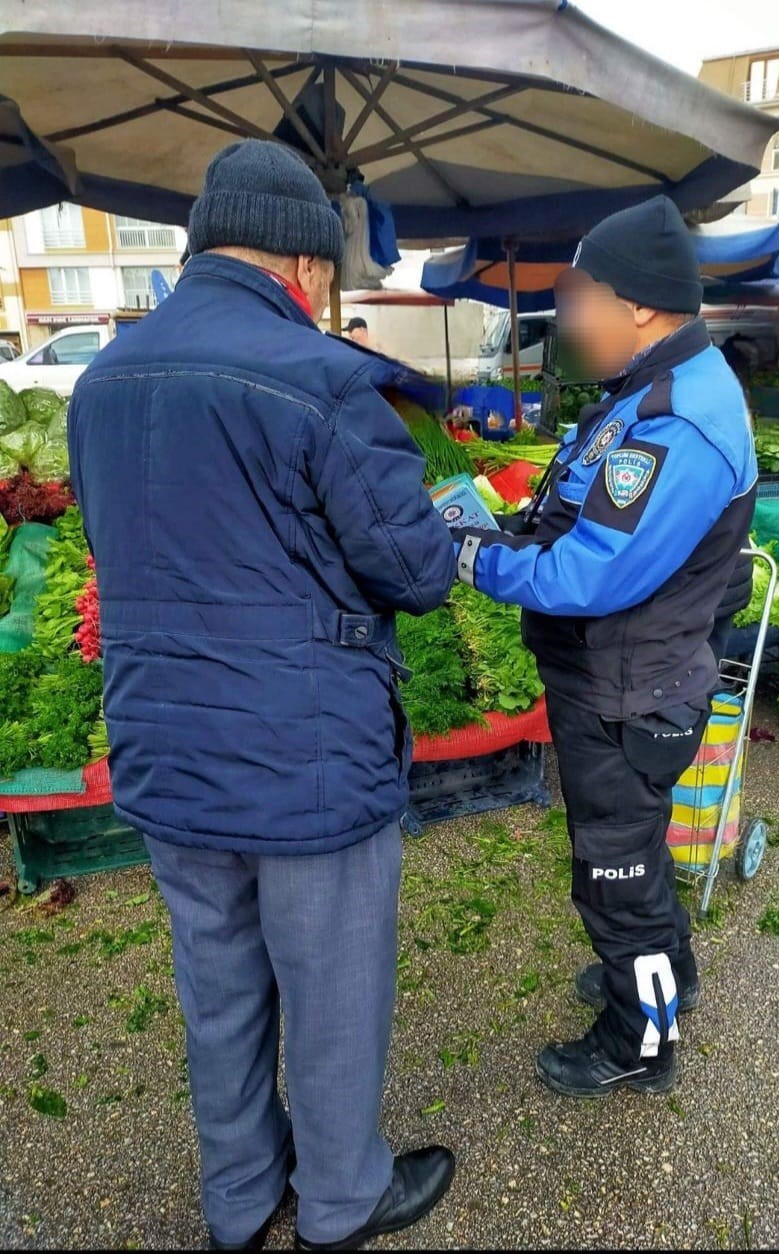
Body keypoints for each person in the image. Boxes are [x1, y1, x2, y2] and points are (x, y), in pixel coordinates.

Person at [68, 139, 457, 1251]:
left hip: (164, 748)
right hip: (306, 764)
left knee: (221, 993)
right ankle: (339, 1202)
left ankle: (239, 1201)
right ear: (305, 269)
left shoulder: (102, 380)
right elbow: (416, 570)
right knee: (330, 996)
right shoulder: (321, 376)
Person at [452, 195, 757, 1098]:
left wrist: (471, 558)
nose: (568, 318)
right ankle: (670, 978)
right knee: (638, 859)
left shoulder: (679, 420)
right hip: (623, 680)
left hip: (628, 694)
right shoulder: (648, 388)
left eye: (581, 296)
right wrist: (505, 526)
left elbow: (591, 572)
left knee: (616, 883)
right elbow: (575, 512)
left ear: (638, 305)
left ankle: (642, 1042)